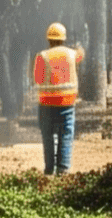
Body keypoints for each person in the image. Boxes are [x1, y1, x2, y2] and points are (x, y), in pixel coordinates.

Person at [34, 22, 84, 175]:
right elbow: (81, 54)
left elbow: (37, 78)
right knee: (66, 134)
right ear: (64, 39)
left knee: (48, 136)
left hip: (46, 103)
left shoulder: (42, 56)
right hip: (67, 103)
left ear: (48, 39)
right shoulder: (71, 54)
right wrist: (79, 46)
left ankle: (49, 169)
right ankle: (63, 169)